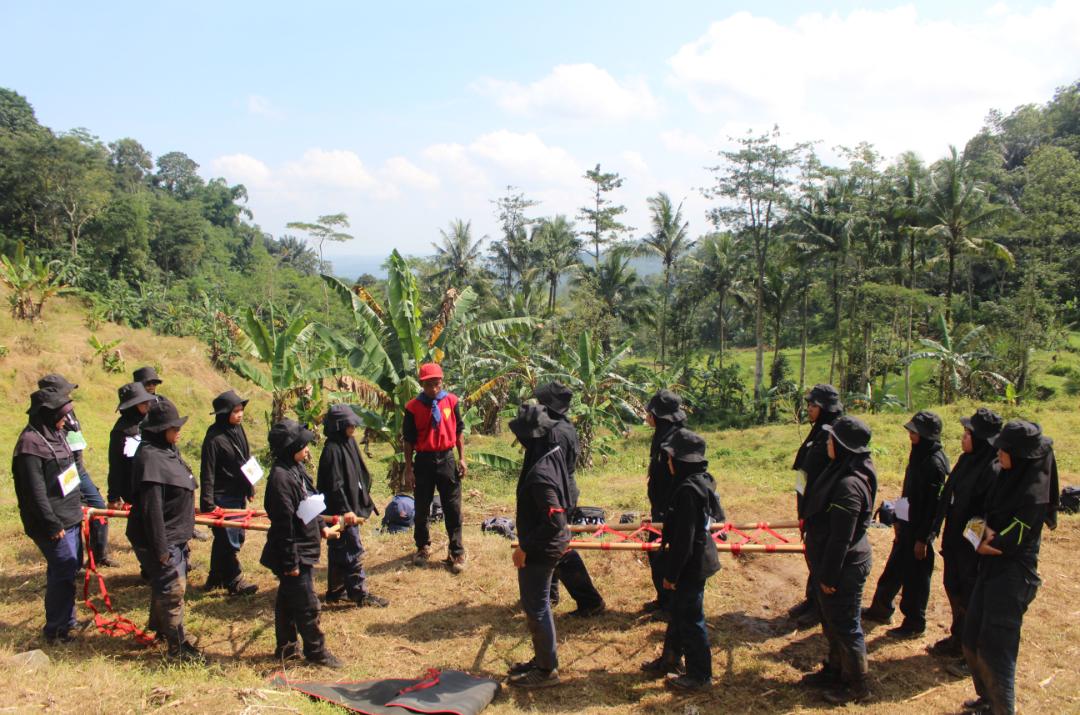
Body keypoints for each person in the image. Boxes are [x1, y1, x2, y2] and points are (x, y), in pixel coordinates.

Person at [961, 420, 1058, 715]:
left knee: (996, 648)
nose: (998, 456)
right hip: (991, 569)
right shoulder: (1004, 476)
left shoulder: (1032, 497)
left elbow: (1003, 543)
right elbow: (976, 519)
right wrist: (981, 534)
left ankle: (1003, 708)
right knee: (971, 635)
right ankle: (987, 699)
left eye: (1003, 452)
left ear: (1020, 457)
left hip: (1013, 577)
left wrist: (983, 537)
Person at [801, 415, 877, 705]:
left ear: (843, 446)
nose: (827, 444)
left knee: (846, 625)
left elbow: (841, 538)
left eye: (832, 439)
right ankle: (835, 670)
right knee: (831, 621)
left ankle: (857, 685)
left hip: (844, 566)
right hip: (830, 563)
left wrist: (829, 576)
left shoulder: (848, 485)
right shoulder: (839, 471)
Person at [261, 419, 343, 668]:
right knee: (308, 605)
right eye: (303, 445)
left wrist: (322, 529)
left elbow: (311, 503)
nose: (308, 450)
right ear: (290, 447)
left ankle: (285, 648)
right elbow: (284, 525)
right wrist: (291, 563)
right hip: (293, 552)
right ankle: (316, 652)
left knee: (288, 600)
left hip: (304, 547)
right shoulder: (280, 480)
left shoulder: (297, 469)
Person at [126, 400, 203, 662]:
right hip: (162, 538)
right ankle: (177, 646)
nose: (178, 430)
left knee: (166, 585)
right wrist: (160, 550)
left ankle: (160, 629)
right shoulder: (150, 458)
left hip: (175, 534)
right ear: (160, 429)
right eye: (173, 427)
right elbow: (152, 510)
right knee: (173, 589)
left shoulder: (167, 450)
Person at [927, 408, 1003, 667]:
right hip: (954, 540)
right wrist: (938, 528)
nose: (963, 438)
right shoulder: (965, 460)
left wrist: (971, 544)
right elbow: (948, 496)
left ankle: (972, 652)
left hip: (972, 547)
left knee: (971, 596)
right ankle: (958, 637)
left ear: (981, 439)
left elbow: (986, 513)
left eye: (968, 434)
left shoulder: (992, 470)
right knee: (953, 587)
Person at [864, 410, 948, 638]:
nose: (910, 434)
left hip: (919, 531)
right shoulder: (918, 454)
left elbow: (934, 508)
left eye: (915, 431)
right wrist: (899, 520)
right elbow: (908, 492)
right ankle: (880, 610)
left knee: (916, 581)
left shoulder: (934, 464)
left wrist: (923, 539)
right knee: (893, 571)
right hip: (907, 526)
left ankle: (914, 624)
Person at [507, 403, 572, 689]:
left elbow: (554, 520)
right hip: (544, 543)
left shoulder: (541, 474)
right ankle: (542, 659)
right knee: (537, 604)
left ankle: (547, 670)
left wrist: (525, 548)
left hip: (542, 548)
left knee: (537, 606)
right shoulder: (550, 453)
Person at [12, 389, 83, 644]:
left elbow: (71, 473)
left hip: (71, 516)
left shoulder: (57, 434)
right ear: (48, 414)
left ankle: (68, 620)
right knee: (63, 570)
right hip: (51, 523)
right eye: (61, 414)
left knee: (70, 569)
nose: (66, 419)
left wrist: (79, 507)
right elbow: (34, 492)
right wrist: (51, 524)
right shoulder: (29, 445)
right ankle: (55, 630)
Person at [534, 381, 605, 618]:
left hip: (558, 494)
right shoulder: (562, 426)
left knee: (559, 547)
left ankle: (590, 600)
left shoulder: (556, 432)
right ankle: (549, 594)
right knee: (548, 544)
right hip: (562, 491)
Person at [38, 374, 113, 567]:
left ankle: (99, 556)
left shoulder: (69, 411)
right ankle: (76, 562)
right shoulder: (49, 418)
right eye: (66, 390)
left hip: (78, 467)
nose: (70, 394)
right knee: (75, 515)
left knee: (98, 507)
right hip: (66, 471)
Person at [317, 404, 388, 608]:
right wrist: (345, 509)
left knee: (338, 548)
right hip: (340, 509)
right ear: (339, 425)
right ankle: (359, 594)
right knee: (351, 548)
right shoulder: (332, 450)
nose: (353, 428)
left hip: (350, 504)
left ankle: (336, 590)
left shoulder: (348, 442)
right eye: (349, 425)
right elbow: (335, 485)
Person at [403, 362, 467, 573]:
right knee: (422, 507)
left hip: (447, 458)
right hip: (424, 460)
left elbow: (459, 431)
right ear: (422, 384)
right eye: (429, 384)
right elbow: (408, 440)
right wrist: (409, 468)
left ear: (442, 381)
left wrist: (462, 458)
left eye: (437, 383)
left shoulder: (451, 401)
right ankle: (422, 547)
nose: (434, 389)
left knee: (452, 507)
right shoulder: (412, 407)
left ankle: (456, 552)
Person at [789, 384, 844, 626]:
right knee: (812, 554)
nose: (809, 410)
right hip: (810, 503)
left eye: (813, 406)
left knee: (821, 556)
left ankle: (820, 609)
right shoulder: (819, 430)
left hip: (823, 507)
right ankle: (812, 599)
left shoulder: (836, 433)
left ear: (824, 408)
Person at [199, 390, 258, 596]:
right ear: (224, 413)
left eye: (241, 410)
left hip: (238, 492)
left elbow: (246, 457)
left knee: (232, 537)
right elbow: (207, 471)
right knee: (228, 538)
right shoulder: (214, 438)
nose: (240, 414)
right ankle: (235, 580)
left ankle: (215, 577)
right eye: (235, 411)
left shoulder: (238, 430)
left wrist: (249, 485)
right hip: (222, 495)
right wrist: (208, 502)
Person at [642, 389, 687, 621]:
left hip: (672, 508)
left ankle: (671, 605)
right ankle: (663, 598)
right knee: (656, 553)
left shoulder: (675, 438)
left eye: (650, 412)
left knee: (664, 555)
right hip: (660, 505)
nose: (647, 416)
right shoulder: (663, 433)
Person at [106, 382, 155, 510]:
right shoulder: (121, 432)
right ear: (132, 406)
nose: (147, 404)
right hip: (134, 489)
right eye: (142, 402)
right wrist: (113, 497)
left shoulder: (150, 421)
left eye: (147, 401)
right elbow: (116, 465)